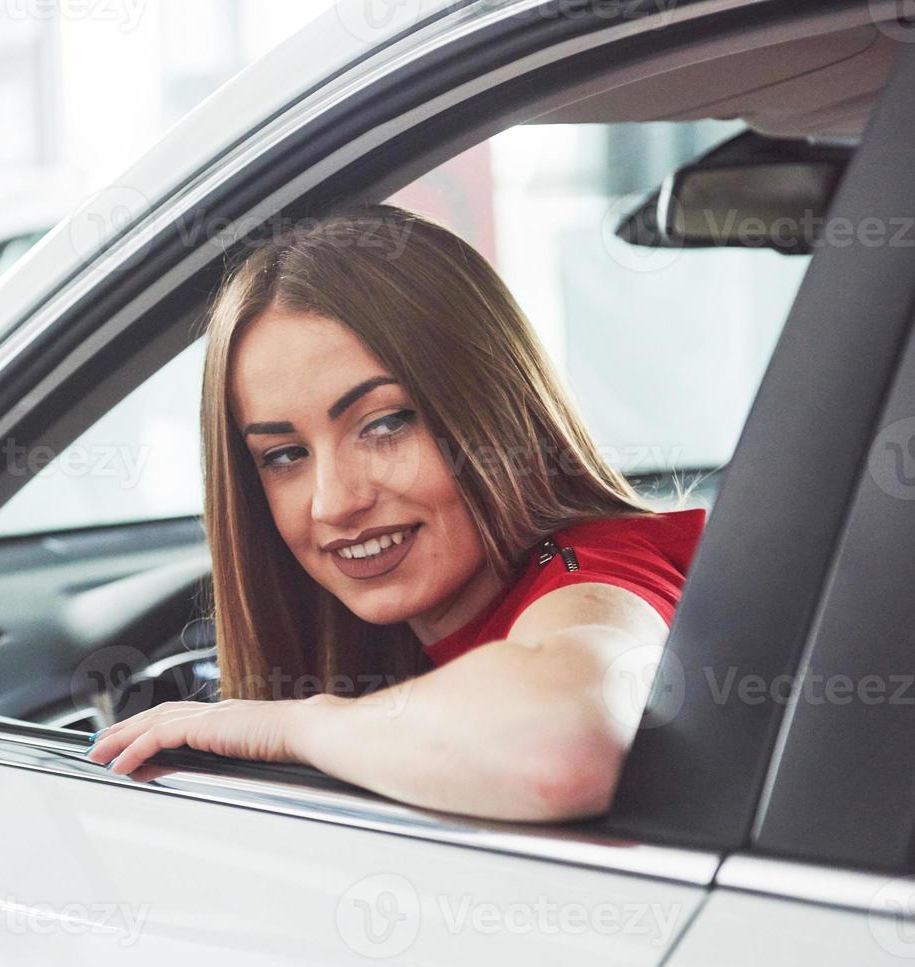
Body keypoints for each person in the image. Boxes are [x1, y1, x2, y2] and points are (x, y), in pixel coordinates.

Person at [86, 204, 708, 822]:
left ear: (494, 412)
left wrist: (289, 726)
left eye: (384, 425)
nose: (335, 502)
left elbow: (559, 750)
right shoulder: (387, 642)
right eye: (284, 455)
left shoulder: (593, 565)